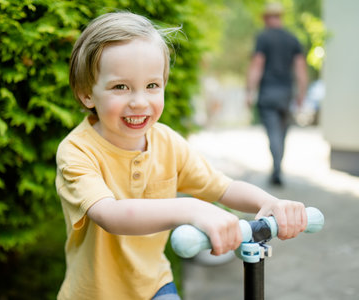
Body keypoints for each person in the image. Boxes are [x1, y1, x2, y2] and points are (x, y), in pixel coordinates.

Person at [56, 11, 307, 300]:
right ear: (87, 93)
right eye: (120, 87)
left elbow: (223, 187)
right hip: (93, 294)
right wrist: (192, 209)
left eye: (152, 86)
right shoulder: (77, 151)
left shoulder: (167, 143)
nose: (139, 102)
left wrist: (271, 202)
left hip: (154, 286)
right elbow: (110, 214)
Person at [245, 2, 308, 186]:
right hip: (286, 93)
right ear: (280, 17)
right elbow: (300, 68)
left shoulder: (263, 38)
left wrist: (250, 91)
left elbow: (257, 65)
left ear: (266, 18)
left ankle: (277, 171)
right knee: (282, 133)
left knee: (273, 133)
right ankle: (278, 169)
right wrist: (301, 93)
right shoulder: (292, 39)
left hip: (267, 93)